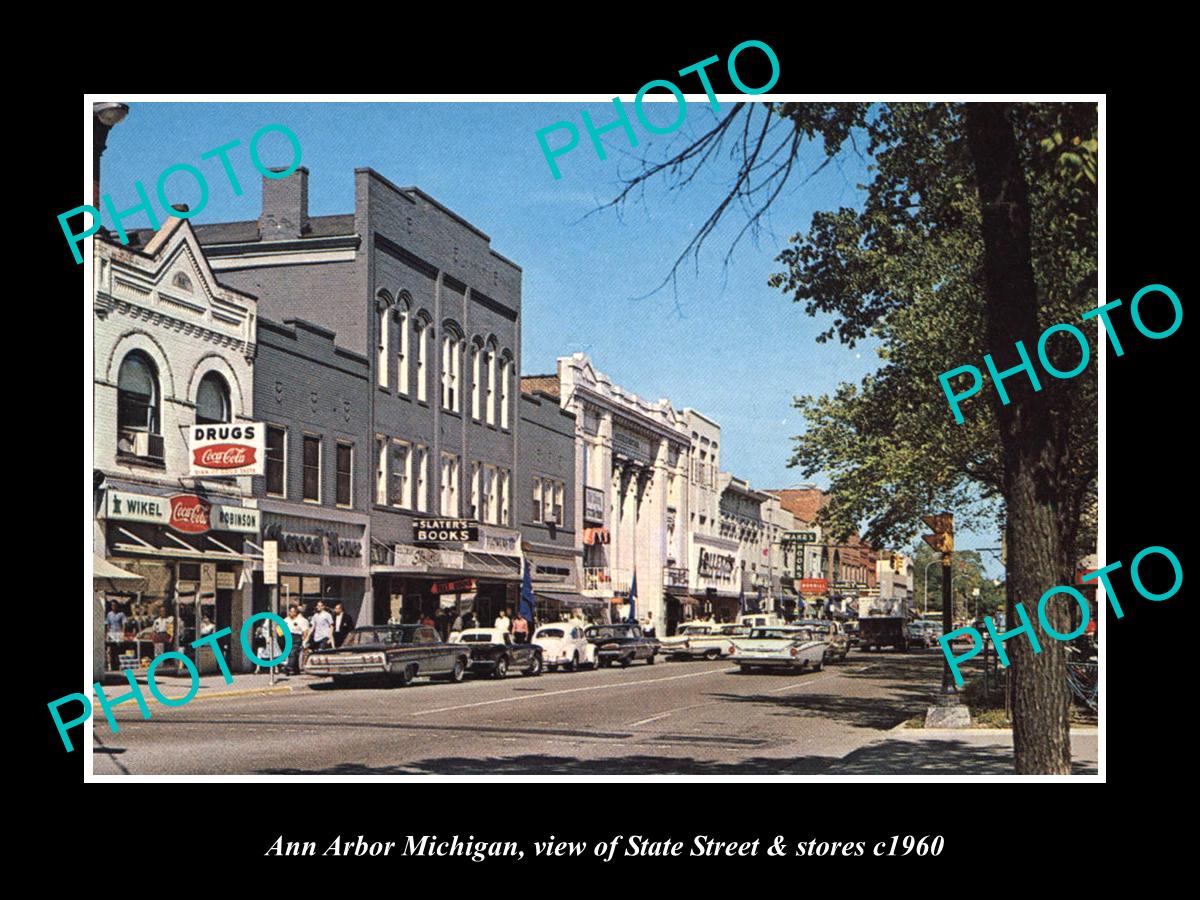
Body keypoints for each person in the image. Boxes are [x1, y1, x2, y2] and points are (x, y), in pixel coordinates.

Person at [284, 604, 308, 675]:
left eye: (293, 611)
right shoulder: (286, 620)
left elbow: (305, 631)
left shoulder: (302, 620)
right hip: (288, 637)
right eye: (290, 611)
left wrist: (304, 640)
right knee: (290, 653)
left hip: (297, 637)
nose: (291, 613)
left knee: (293, 653)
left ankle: (289, 667)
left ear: (296, 612)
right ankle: (296, 670)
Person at [105, 601, 127, 671]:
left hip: (118, 633)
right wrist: (107, 633)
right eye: (112, 605)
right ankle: (111, 665)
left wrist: (122, 633)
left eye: (115, 605)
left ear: (117, 606)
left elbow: (124, 624)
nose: (113, 607)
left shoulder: (121, 614)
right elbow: (108, 624)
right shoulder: (109, 614)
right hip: (111, 633)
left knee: (118, 650)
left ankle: (118, 665)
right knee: (111, 649)